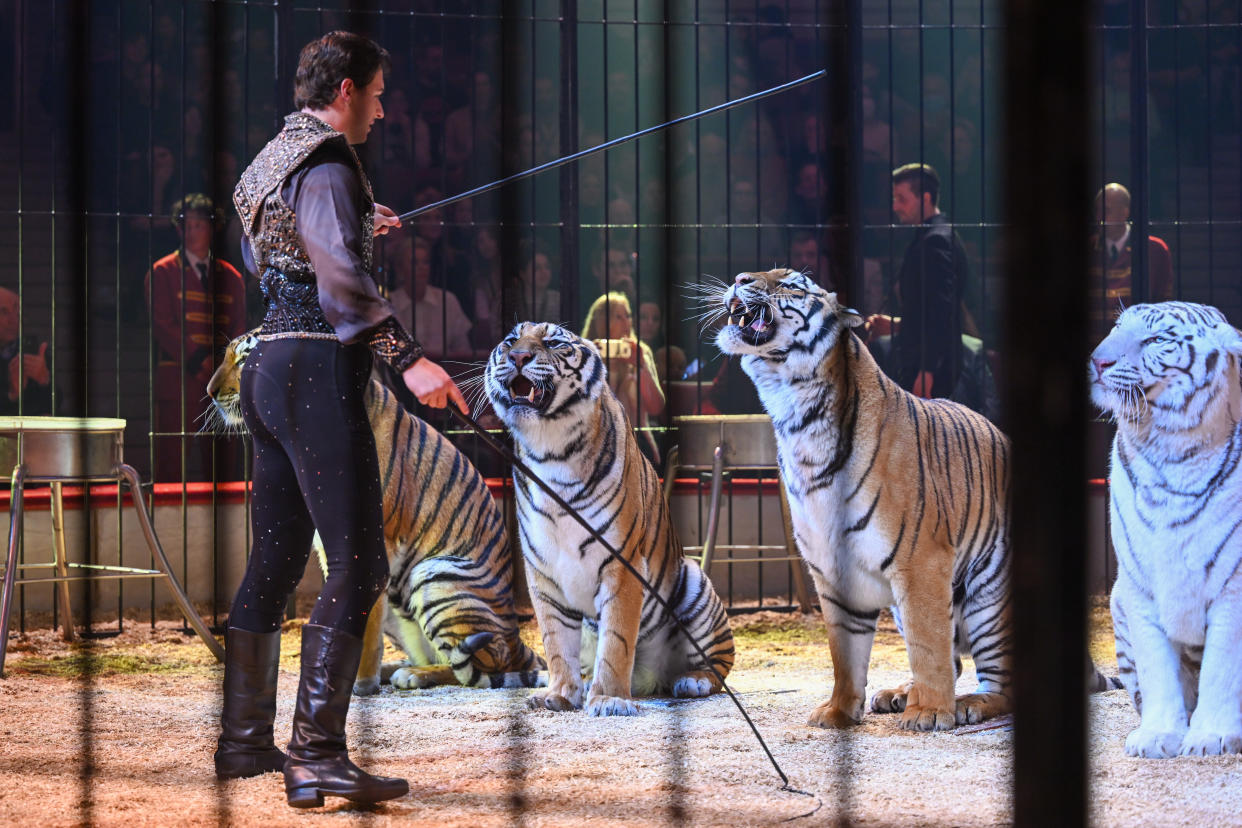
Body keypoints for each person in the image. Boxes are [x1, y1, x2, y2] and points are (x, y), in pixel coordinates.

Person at [217, 31, 466, 808]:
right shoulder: (326, 163)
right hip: (318, 370)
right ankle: (319, 753)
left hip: (268, 369)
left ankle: (245, 741)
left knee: (278, 559)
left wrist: (357, 219)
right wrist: (409, 357)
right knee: (361, 561)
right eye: (380, 94)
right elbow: (334, 272)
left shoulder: (272, 160)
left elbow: (276, 254)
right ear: (349, 90)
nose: (385, 111)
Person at [145, 193, 247, 481]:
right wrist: (199, 361)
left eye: (198, 225)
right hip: (177, 378)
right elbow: (162, 325)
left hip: (222, 381)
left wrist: (222, 367)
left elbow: (238, 326)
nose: (191, 232)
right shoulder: (161, 272)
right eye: (185, 226)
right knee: (170, 462)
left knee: (223, 466)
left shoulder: (232, 277)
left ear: (212, 229)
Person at [868, 163, 968, 399]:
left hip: (931, 366)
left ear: (925, 198)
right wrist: (899, 325)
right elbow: (930, 308)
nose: (895, 206)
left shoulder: (936, 241)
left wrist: (927, 370)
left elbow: (941, 311)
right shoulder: (932, 236)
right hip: (929, 361)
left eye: (901, 199)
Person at [582, 291, 665, 463]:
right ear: (601, 321)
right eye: (618, 317)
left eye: (628, 315)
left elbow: (657, 407)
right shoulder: (587, 353)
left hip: (638, 443)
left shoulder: (640, 351)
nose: (626, 322)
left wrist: (641, 365)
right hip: (597, 445)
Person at [1089, 182, 1174, 342]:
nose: (1099, 217)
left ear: (1125, 212)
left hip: (1134, 348)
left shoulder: (1154, 250)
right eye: (1097, 210)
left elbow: (1162, 304)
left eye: (1106, 210)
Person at [388, 235, 473, 359]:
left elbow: (463, 350)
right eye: (414, 262)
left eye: (426, 262)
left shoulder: (448, 300)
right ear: (400, 268)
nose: (422, 267)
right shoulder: (391, 302)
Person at [0, 287, 53, 416]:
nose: (13, 321)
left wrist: (45, 381)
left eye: (17, 313)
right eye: (3, 312)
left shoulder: (34, 354)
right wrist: (12, 394)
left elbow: (54, 407)